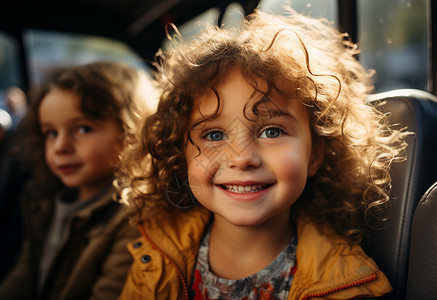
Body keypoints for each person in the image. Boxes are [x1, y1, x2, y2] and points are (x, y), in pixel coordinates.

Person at [117, 9, 408, 299]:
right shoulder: (154, 255)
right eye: (214, 135)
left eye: (272, 132)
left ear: (315, 154)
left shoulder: (348, 284)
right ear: (181, 156)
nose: (242, 158)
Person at [0, 61, 158, 300]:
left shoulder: (134, 219)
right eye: (51, 133)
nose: (61, 146)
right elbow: (24, 275)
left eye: (82, 129)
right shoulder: (47, 200)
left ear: (131, 133)